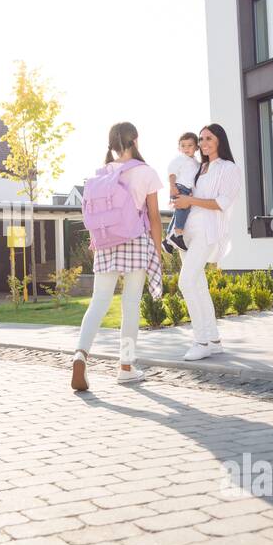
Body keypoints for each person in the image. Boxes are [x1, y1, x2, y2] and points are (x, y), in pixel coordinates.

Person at [71, 121, 165, 392]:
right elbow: (154, 217)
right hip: (135, 240)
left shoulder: (102, 173)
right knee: (130, 303)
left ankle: (80, 354)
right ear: (135, 140)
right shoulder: (146, 172)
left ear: (112, 144)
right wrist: (157, 251)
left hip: (104, 242)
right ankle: (125, 366)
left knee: (98, 301)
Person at [171, 123, 241, 361]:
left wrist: (190, 200)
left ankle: (200, 341)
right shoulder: (199, 167)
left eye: (208, 138)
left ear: (219, 140)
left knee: (186, 282)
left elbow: (223, 202)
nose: (203, 143)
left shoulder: (228, 168)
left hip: (208, 232)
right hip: (187, 234)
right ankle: (213, 340)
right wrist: (180, 200)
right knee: (198, 286)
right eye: (200, 139)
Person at [164, 131, 200, 252]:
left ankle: (168, 240)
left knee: (178, 213)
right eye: (183, 145)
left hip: (187, 189)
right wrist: (172, 186)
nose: (186, 148)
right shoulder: (180, 159)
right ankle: (177, 235)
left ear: (196, 147)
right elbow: (172, 172)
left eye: (190, 145)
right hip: (180, 187)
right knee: (183, 210)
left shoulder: (196, 162)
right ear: (179, 148)